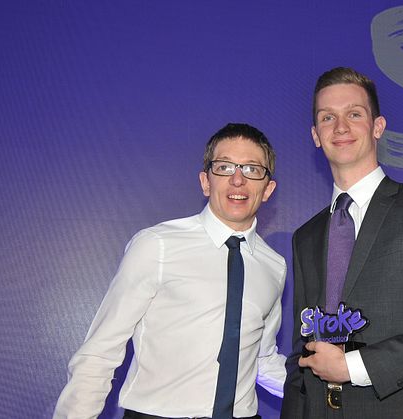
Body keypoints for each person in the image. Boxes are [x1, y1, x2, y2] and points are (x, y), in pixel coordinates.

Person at [54, 123, 286, 419]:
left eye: (252, 169)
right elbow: (100, 353)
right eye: (224, 167)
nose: (238, 180)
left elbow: (262, 358)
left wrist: (336, 387)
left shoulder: (274, 266)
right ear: (205, 181)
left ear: (268, 189)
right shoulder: (157, 245)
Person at [280, 67, 403, 419]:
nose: (340, 127)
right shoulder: (305, 236)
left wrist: (352, 367)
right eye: (327, 117)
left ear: (378, 126)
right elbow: (301, 355)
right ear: (315, 135)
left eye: (354, 114)